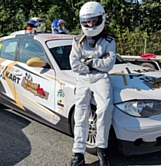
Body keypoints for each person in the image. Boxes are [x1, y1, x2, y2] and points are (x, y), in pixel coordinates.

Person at [69, 1, 116, 166]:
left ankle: (102, 149)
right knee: (80, 114)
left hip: (101, 78)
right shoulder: (77, 40)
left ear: (101, 18)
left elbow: (109, 64)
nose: (90, 24)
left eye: (94, 20)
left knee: (105, 109)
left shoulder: (109, 40)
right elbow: (74, 65)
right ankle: (78, 153)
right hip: (83, 78)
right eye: (87, 21)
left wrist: (88, 61)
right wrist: (97, 61)